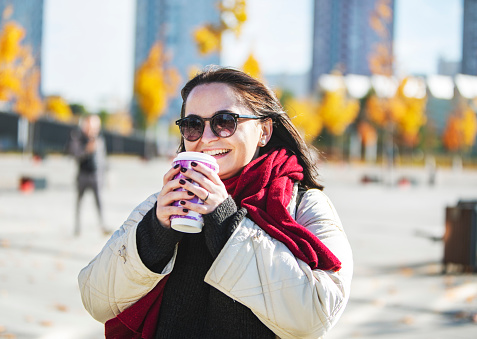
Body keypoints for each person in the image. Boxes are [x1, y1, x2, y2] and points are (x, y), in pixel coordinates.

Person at [78, 66, 353, 338]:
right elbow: (96, 299)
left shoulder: (303, 204)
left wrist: (225, 221)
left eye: (225, 121)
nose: (207, 138)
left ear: (264, 131)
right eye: (193, 125)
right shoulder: (165, 203)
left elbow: (317, 314)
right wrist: (155, 233)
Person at [68, 114, 109, 236]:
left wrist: (104, 175)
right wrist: (87, 150)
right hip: (83, 175)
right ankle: (77, 228)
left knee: (99, 202)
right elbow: (75, 154)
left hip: (96, 175)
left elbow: (103, 159)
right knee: (79, 202)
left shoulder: (99, 139)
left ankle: (103, 225)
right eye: (90, 125)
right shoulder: (78, 138)